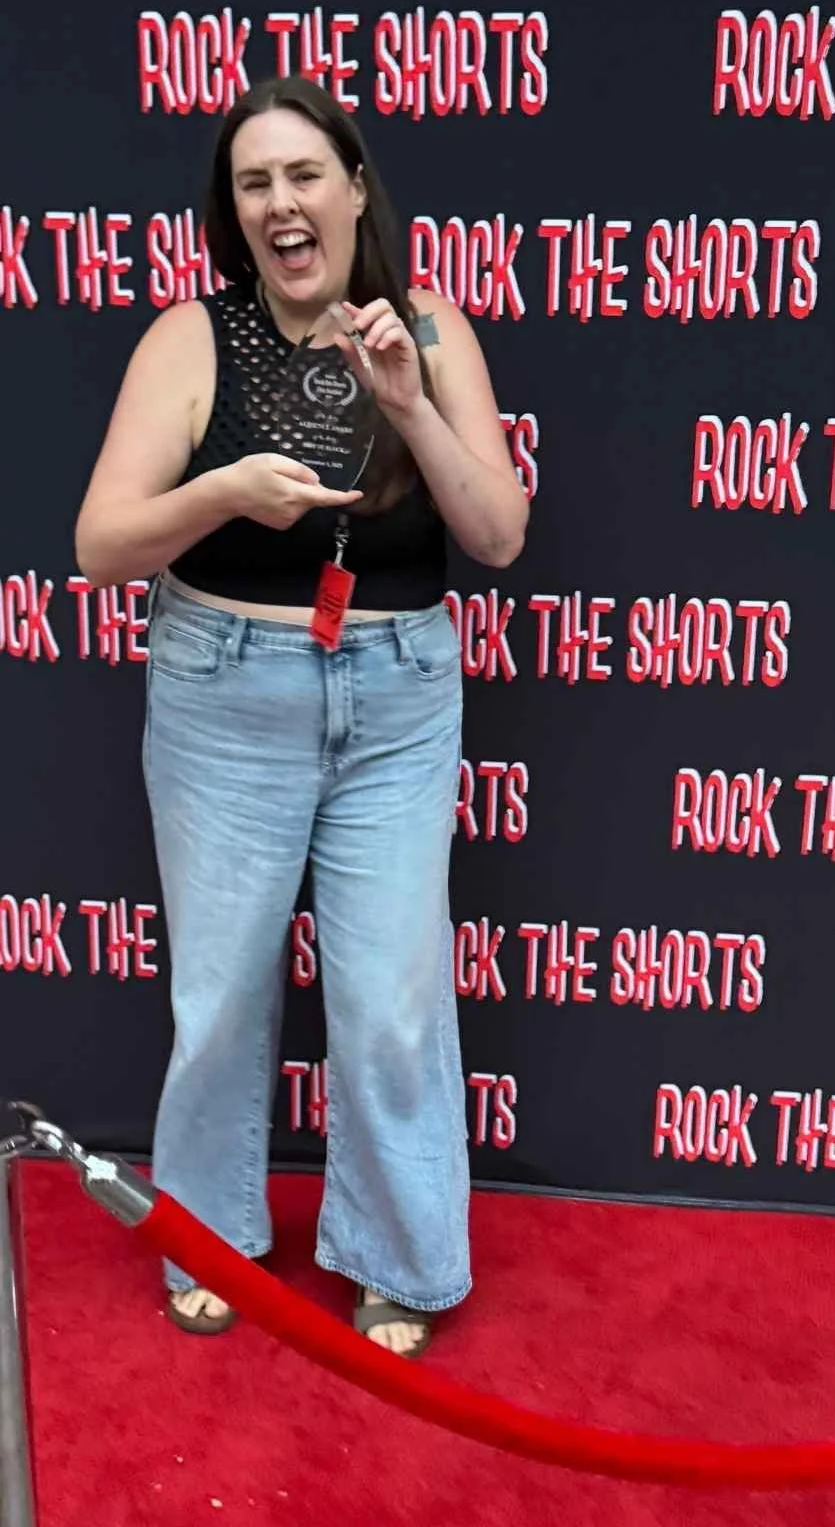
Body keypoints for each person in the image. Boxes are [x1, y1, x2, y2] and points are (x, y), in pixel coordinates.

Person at [75, 75, 528, 1358]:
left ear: (355, 188)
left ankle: (396, 1256)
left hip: (396, 695)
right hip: (227, 692)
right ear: (235, 214)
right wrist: (216, 490)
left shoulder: (431, 331)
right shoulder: (191, 337)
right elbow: (102, 545)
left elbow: (495, 534)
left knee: (389, 997)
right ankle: (208, 1235)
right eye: (254, 183)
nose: (282, 203)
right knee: (220, 994)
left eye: (304, 175)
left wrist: (406, 406)